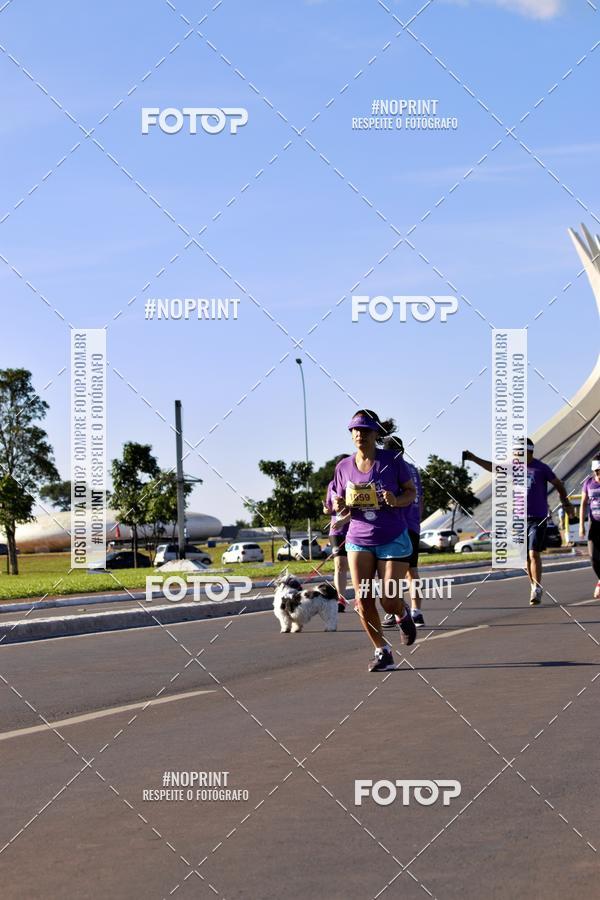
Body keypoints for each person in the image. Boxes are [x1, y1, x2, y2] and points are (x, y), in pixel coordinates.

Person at [332, 409, 417, 672]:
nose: (359, 435)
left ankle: (402, 613)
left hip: (392, 537)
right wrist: (338, 504)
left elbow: (410, 493)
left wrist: (396, 500)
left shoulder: (392, 461)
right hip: (358, 537)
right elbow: (336, 500)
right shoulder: (343, 466)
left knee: (388, 600)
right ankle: (382, 651)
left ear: (376, 433)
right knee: (364, 599)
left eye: (365, 430)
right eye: (355, 430)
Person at [463, 438, 575, 605]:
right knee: (524, 557)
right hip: (519, 518)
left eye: (518, 453)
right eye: (514, 453)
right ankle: (532, 586)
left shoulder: (541, 468)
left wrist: (565, 503)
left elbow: (558, 483)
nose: (515, 456)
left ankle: (537, 587)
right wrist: (474, 458)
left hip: (538, 517)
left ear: (528, 452)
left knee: (533, 553)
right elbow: (494, 467)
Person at [381, 436, 425, 628]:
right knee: (412, 571)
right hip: (413, 525)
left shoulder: (391, 469)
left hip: (396, 525)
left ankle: (395, 610)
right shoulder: (413, 469)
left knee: (390, 572)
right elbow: (420, 499)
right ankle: (416, 612)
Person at [323, 458, 351, 612]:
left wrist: (345, 520)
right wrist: (327, 510)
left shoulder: (355, 484)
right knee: (339, 564)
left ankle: (361, 598)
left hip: (355, 530)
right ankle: (341, 599)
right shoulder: (332, 486)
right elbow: (328, 507)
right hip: (336, 531)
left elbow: (360, 510)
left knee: (353, 566)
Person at [579, 459, 600, 600]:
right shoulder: (588, 483)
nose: (598, 474)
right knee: (593, 558)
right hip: (594, 524)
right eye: (597, 472)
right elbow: (583, 504)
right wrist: (581, 525)